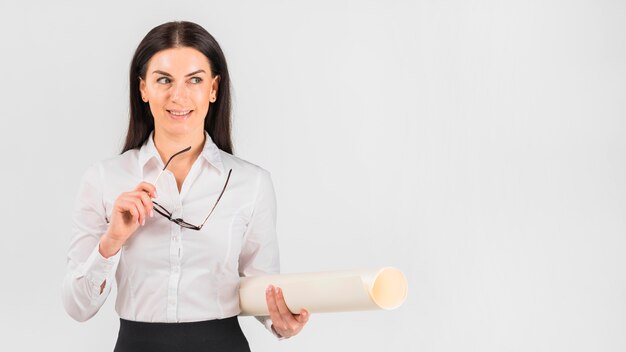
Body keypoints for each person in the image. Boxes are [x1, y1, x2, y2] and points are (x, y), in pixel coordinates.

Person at [61, 21, 309, 351]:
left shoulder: (252, 183)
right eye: (164, 80)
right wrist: (112, 241)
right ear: (143, 88)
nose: (178, 95)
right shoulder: (104, 179)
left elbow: (261, 287)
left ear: (214, 88)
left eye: (194, 80)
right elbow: (78, 307)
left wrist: (280, 322)